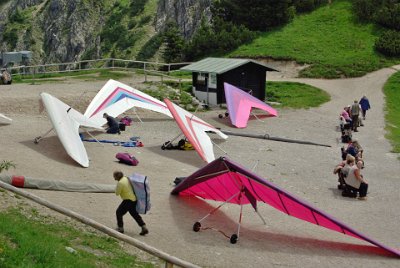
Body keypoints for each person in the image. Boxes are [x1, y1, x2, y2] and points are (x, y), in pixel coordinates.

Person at [114, 171, 149, 235]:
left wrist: (117, 187)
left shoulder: (120, 183)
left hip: (128, 200)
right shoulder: (126, 178)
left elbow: (117, 193)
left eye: (114, 177)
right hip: (134, 199)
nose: (114, 178)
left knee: (118, 212)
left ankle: (120, 228)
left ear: (116, 177)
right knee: (134, 214)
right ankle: (143, 226)